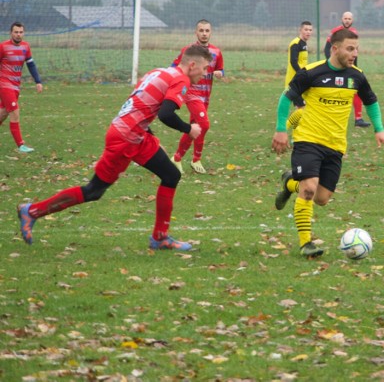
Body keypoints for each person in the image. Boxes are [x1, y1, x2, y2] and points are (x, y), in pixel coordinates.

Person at [17, 44, 212, 251]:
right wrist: (188, 129)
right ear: (192, 65)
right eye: (205, 68)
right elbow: (165, 114)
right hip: (126, 138)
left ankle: (160, 237)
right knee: (94, 191)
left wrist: (149, 135)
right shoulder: (180, 79)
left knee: (171, 175)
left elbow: (139, 103)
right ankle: (32, 211)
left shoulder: (160, 72)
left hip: (134, 134)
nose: (206, 73)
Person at [271, 28, 384, 258]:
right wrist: (280, 130)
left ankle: (289, 182)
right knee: (308, 189)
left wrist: (380, 130)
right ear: (335, 48)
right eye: (349, 48)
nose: (354, 53)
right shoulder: (311, 73)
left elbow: (371, 101)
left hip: (335, 146)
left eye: (356, 48)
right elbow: (285, 98)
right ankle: (306, 244)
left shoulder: (357, 76)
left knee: (322, 198)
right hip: (308, 140)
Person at [170, 19, 224, 175]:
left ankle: (179, 158)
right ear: (196, 32)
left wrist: (220, 73)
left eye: (207, 31)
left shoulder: (216, 52)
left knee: (196, 127)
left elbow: (221, 69)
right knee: (204, 124)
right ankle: (194, 158)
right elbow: (174, 67)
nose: (204, 33)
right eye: (201, 30)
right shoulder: (188, 50)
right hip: (191, 93)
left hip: (206, 95)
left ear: (211, 32)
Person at [0, 22, 43, 153]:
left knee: (4, 112)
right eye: (16, 32)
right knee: (15, 112)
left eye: (21, 32)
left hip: (16, 86)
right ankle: (21, 145)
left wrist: (38, 81)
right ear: (11, 33)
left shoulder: (26, 46)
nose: (18, 35)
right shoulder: (3, 47)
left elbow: (31, 64)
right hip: (4, 84)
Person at [323, 12, 370, 128]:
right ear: (341, 19)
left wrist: (355, 67)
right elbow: (326, 49)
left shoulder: (354, 33)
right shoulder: (335, 31)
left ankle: (358, 119)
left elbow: (355, 52)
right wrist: (333, 63)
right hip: (337, 67)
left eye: (349, 19)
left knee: (356, 89)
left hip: (349, 67)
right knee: (333, 91)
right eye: (345, 18)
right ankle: (329, 117)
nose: (347, 20)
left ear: (352, 20)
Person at [283, 21, 313, 130]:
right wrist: (303, 74)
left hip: (300, 82)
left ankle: (296, 136)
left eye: (310, 30)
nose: (308, 32)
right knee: (303, 108)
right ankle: (283, 129)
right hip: (294, 82)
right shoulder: (296, 43)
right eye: (306, 29)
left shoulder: (304, 44)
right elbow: (293, 62)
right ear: (300, 30)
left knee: (300, 109)